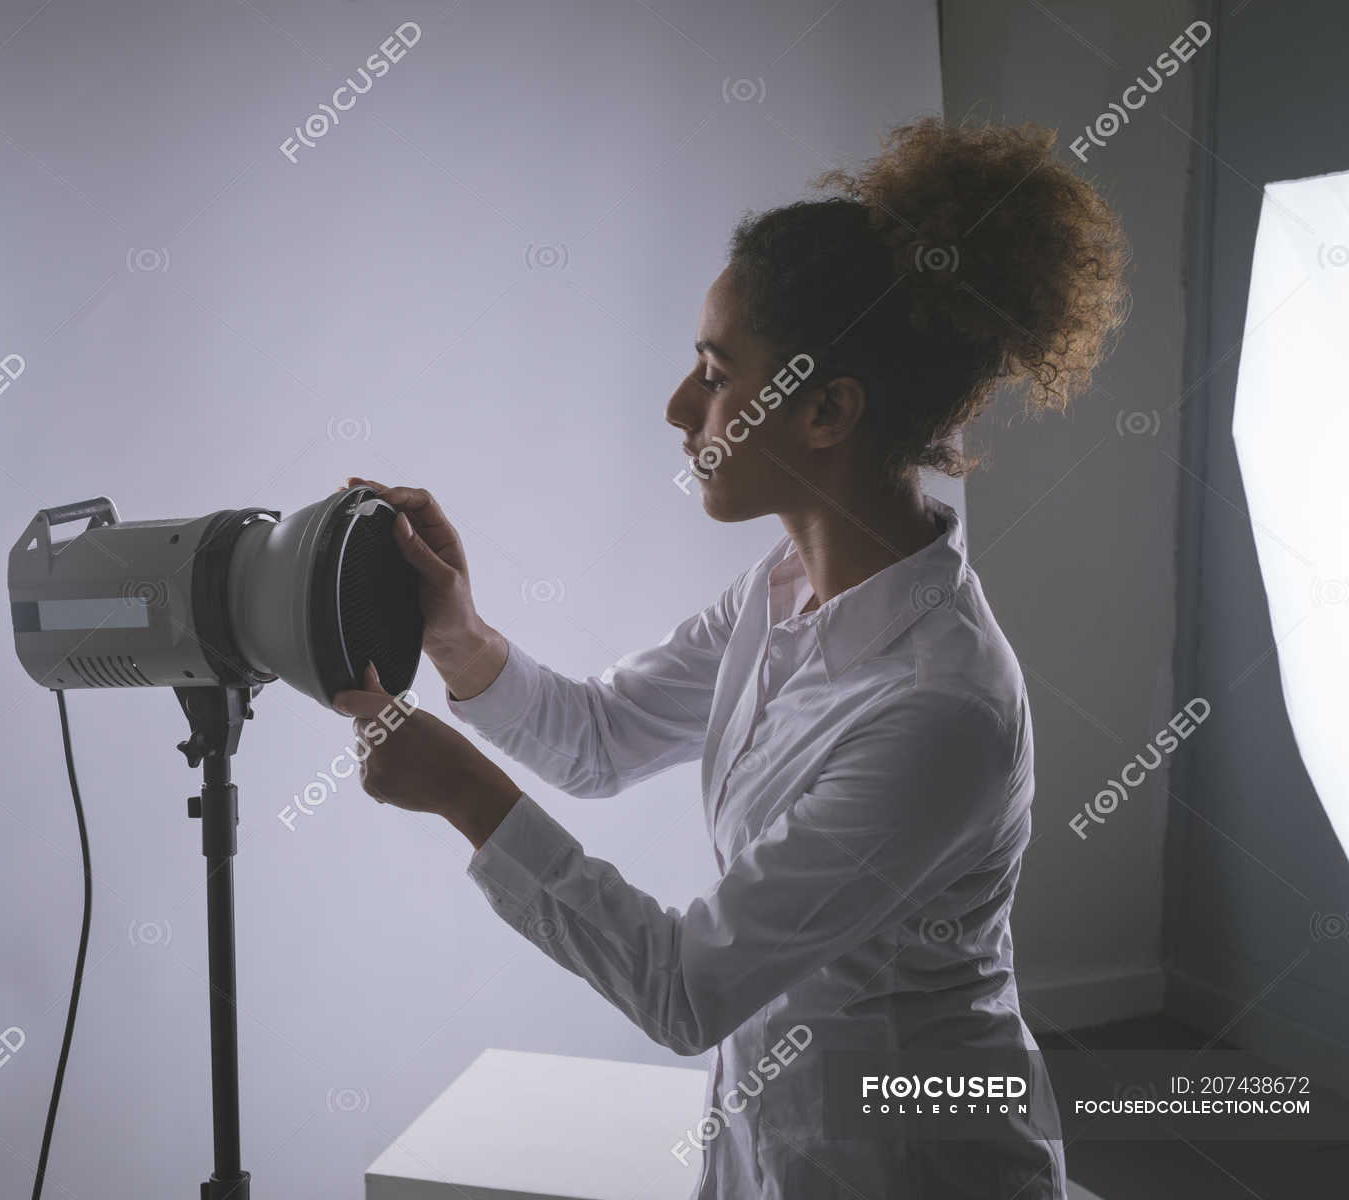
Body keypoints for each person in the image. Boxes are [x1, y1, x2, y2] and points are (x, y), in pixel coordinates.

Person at [330, 115, 1130, 1200]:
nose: (676, 408)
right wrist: (457, 634)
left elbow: (687, 989)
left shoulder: (941, 709)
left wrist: (465, 795)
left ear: (826, 411)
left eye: (712, 373)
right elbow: (600, 741)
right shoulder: (784, 591)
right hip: (773, 1145)